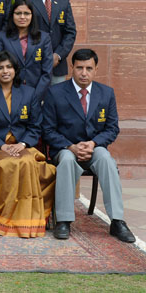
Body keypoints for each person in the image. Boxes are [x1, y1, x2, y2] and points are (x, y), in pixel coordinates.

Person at [42, 48, 135, 243]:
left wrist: (93, 143)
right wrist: (71, 146)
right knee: (66, 160)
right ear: (72, 68)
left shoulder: (106, 93)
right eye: (80, 68)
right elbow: (48, 130)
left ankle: (117, 220)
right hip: (65, 149)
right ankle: (64, 221)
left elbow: (112, 128)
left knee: (106, 159)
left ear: (96, 70)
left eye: (89, 68)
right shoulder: (55, 93)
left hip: (95, 148)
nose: (84, 73)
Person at [0, 51, 56, 237]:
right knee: (12, 164)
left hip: (22, 146)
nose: (5, 71)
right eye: (0, 67)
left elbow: (36, 125)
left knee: (27, 162)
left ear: (15, 70)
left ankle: (27, 220)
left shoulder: (29, 93)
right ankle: (5, 217)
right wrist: (1, 146)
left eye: (9, 67)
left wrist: (23, 143)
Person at [19, 0, 76, 84]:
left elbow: (70, 32)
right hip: (32, 65)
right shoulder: (24, 0)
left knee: (57, 102)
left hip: (57, 65)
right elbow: (20, 32)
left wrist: (58, 55)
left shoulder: (63, 1)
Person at [0, 0, 53, 101]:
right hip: (9, 94)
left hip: (37, 92)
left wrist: (35, 95)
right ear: (12, 15)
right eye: (18, 13)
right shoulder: (2, 37)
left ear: (32, 16)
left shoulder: (44, 38)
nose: (22, 17)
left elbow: (47, 72)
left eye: (26, 13)